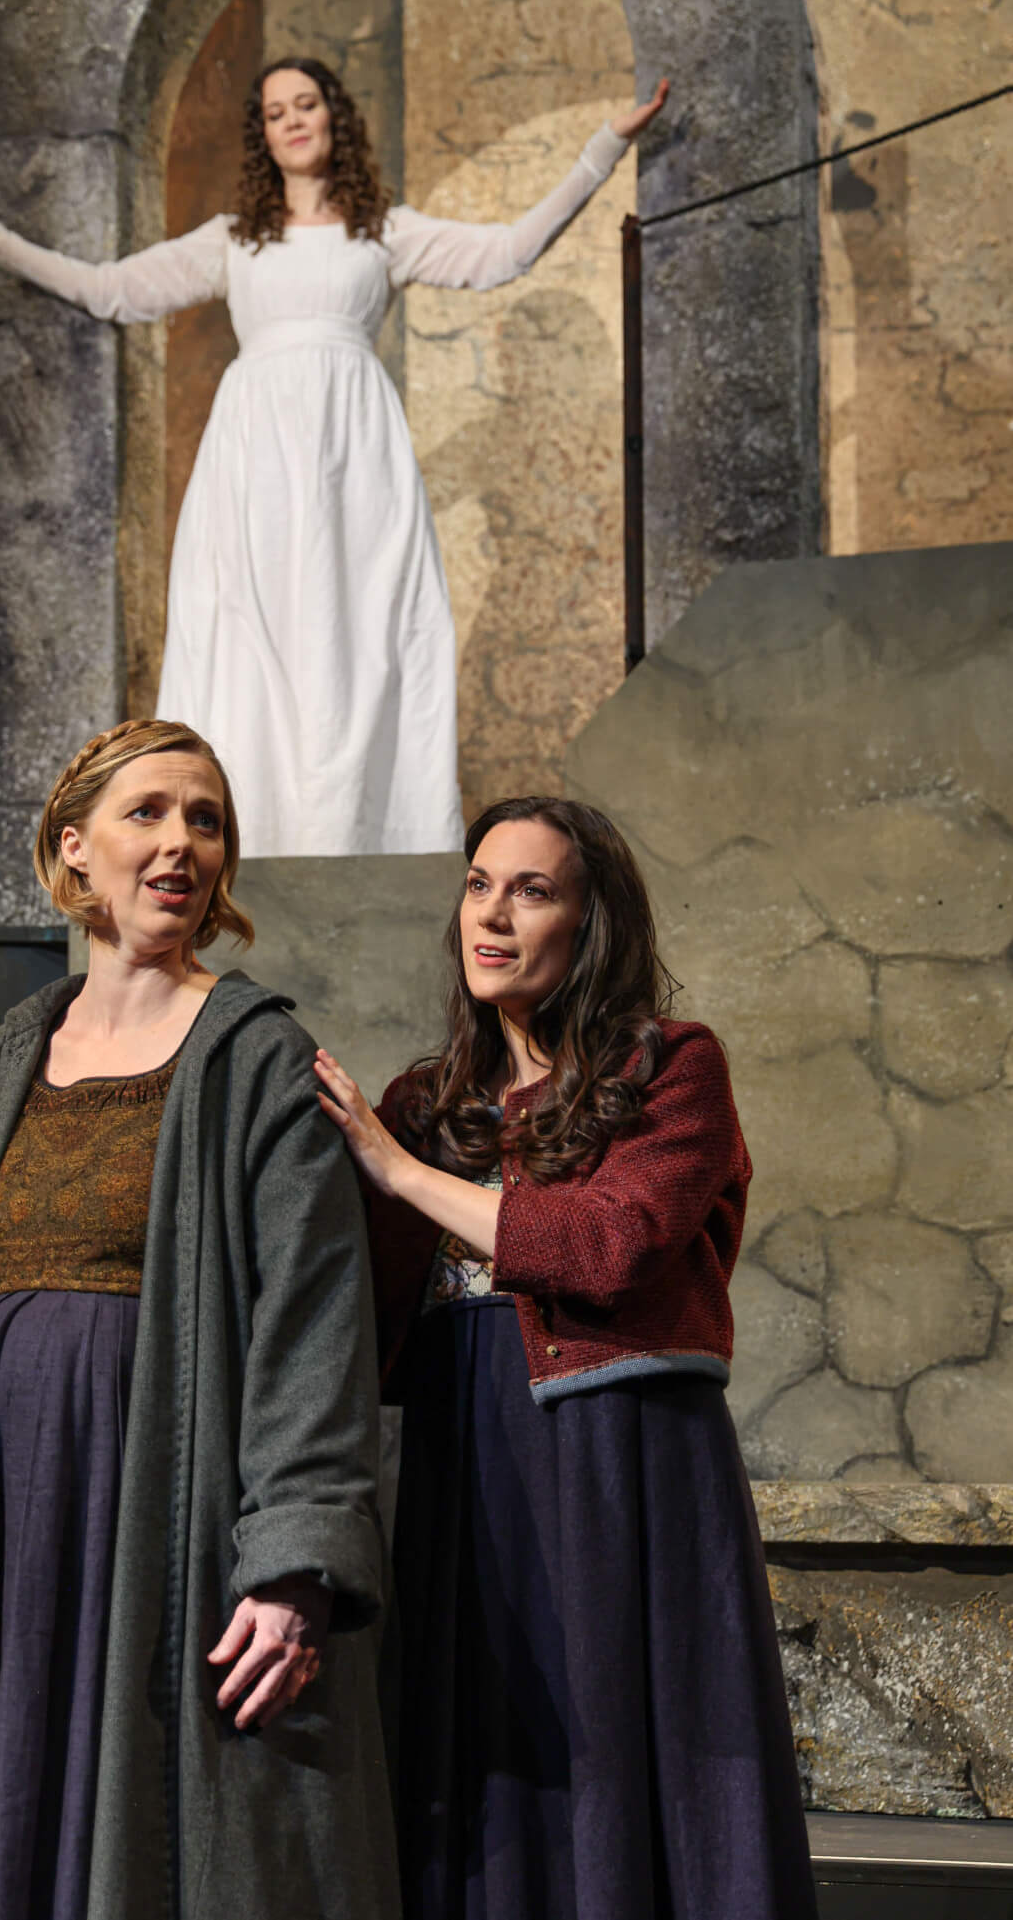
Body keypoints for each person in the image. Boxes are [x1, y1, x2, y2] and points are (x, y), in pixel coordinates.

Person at [0, 718, 399, 1920]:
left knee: (154, 1831)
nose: (181, 841)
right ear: (73, 846)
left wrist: (293, 1559)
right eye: (148, 812)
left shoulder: (256, 1064)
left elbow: (313, 1325)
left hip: (157, 1509)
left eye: (205, 819)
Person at [0, 61, 668, 861]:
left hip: (357, 466)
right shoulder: (236, 239)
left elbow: (507, 251)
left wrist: (603, 147)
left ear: (334, 116)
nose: (294, 120)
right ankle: (243, 838)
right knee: (245, 641)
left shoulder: (383, 231)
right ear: (262, 135)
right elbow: (108, 290)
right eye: (276, 112)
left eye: (306, 104)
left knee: (357, 638)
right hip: (254, 465)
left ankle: (357, 845)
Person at [314, 796, 818, 1920]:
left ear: (590, 923)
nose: (491, 916)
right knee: (483, 1767)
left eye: (531, 891)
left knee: (629, 1756)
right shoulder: (422, 1107)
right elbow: (342, 1296)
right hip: (462, 1459)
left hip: (618, 1459)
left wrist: (400, 1174)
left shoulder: (672, 1069)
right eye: (478, 885)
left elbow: (611, 1244)